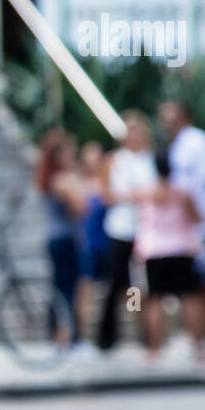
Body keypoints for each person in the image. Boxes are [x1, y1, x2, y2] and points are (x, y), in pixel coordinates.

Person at [158, 99, 205, 357]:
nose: (166, 119)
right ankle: (201, 338)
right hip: (184, 230)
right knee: (195, 287)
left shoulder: (198, 142)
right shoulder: (176, 146)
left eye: (171, 113)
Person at [133, 150, 205, 364]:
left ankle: (155, 349)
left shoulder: (146, 192)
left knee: (155, 299)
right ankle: (197, 348)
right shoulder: (183, 192)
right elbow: (197, 218)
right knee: (190, 298)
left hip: (154, 249)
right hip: (181, 248)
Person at [97, 110, 157, 351]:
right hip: (120, 229)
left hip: (147, 230)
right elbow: (105, 194)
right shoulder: (114, 160)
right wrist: (134, 195)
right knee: (117, 284)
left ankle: (148, 335)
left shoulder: (150, 159)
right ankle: (108, 338)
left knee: (142, 285)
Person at [36, 128, 88, 348]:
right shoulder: (62, 180)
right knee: (68, 291)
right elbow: (82, 207)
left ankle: (62, 336)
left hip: (57, 238)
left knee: (62, 288)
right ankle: (66, 338)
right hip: (66, 239)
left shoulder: (48, 179)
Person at [74, 141, 110, 357]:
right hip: (87, 244)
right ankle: (84, 338)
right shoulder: (79, 184)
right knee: (84, 293)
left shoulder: (109, 184)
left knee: (128, 291)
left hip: (108, 243)